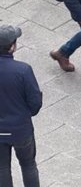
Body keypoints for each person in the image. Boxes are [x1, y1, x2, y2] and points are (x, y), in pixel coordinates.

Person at [0, 25, 42, 187]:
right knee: (28, 165)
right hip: (20, 129)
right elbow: (35, 103)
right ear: (12, 47)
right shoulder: (23, 70)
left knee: (2, 169)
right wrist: (25, 113)